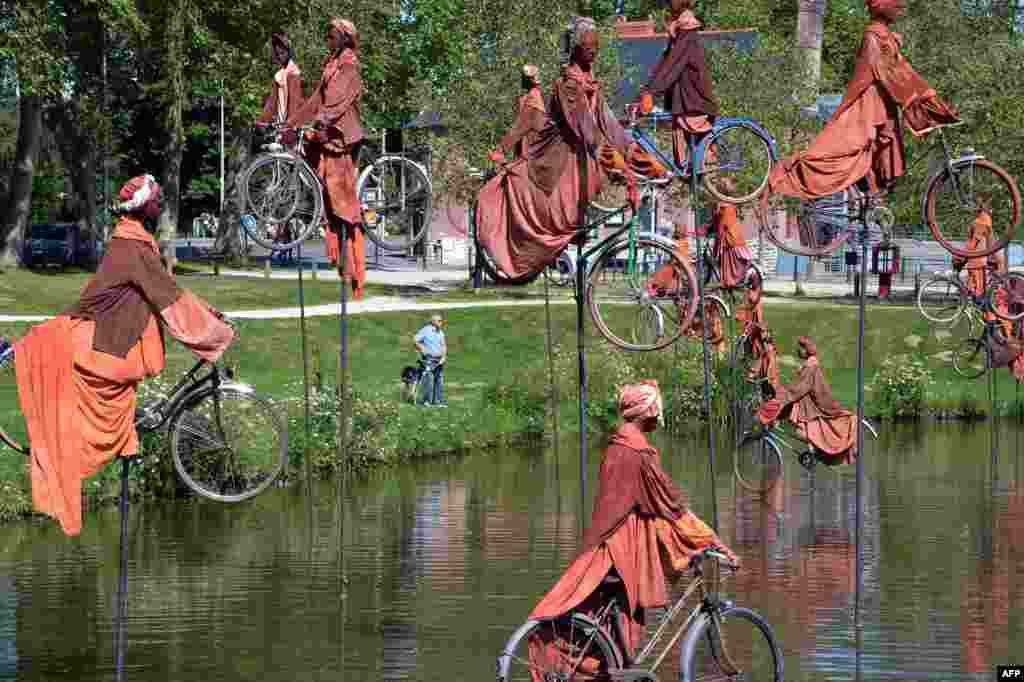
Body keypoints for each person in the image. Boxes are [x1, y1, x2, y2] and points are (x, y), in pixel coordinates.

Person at [9, 175, 234, 536]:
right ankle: (119, 440)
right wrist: (213, 332)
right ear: (143, 207)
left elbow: (167, 290)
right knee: (97, 409)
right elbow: (168, 297)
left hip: (117, 339)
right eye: (156, 200)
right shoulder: (131, 248)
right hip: (110, 345)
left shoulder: (133, 242)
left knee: (124, 403)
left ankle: (128, 434)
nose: (161, 204)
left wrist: (208, 313)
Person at [527, 381, 737, 667]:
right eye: (654, 410)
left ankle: (610, 665)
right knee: (629, 620)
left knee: (610, 622)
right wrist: (713, 541)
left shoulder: (615, 446)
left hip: (604, 545)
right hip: (626, 550)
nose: (657, 416)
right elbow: (671, 505)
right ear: (645, 412)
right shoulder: (639, 454)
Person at [475, 16, 639, 281]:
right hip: (558, 159)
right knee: (557, 204)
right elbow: (588, 131)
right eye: (588, 48)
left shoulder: (587, 83)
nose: (594, 52)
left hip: (579, 157)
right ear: (576, 49)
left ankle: (576, 230)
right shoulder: (568, 86)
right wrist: (624, 170)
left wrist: (634, 153)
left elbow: (608, 123)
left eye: (596, 46)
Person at [764, 0, 959, 202]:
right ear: (883, 6)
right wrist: (926, 99)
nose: (901, 9)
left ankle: (871, 198)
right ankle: (789, 176)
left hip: (884, 104)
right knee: (852, 149)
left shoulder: (884, 36)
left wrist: (926, 97)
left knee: (882, 149)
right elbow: (887, 72)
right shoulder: (874, 36)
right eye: (897, 5)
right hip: (870, 104)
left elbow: (900, 72)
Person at [288, 18, 367, 300]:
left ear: (344, 38)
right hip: (326, 133)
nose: (328, 40)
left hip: (341, 137)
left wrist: (319, 121)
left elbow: (336, 103)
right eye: (327, 36)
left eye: (332, 36)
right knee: (330, 203)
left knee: (344, 206)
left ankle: (357, 272)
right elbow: (316, 101)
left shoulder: (349, 65)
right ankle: (342, 262)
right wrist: (292, 122)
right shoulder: (331, 64)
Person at [636, 0, 718, 166]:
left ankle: (704, 172)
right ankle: (690, 173)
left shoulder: (687, 26)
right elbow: (666, 61)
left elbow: (675, 62)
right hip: (682, 91)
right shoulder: (679, 25)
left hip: (692, 92)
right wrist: (647, 89)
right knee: (682, 138)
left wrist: (653, 92)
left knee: (694, 138)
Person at [757, 336, 858, 468]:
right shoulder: (810, 363)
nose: (799, 350)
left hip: (815, 404)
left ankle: (817, 451)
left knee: (804, 431)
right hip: (808, 402)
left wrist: (784, 397)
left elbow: (801, 388)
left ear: (807, 349)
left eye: (801, 347)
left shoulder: (811, 365)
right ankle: (814, 451)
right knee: (801, 427)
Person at [488, 64, 547, 166]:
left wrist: (501, 150)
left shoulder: (533, 97)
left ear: (529, 80)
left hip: (530, 151)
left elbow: (521, 126)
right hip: (529, 150)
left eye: (524, 78)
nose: (522, 80)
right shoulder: (530, 96)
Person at [255, 32, 305, 129]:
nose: (280, 57)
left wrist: (290, 125)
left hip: (289, 126)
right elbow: (272, 101)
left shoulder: (293, 73)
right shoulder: (279, 75)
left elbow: (294, 102)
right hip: (280, 123)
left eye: (282, 53)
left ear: (288, 52)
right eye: (277, 54)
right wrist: (261, 121)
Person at [414, 314, 447, 406]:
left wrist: (444, 356)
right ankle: (426, 401)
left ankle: (438, 401)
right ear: (433, 322)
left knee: (439, 380)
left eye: (441, 321)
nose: (441, 322)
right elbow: (415, 340)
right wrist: (422, 349)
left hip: (439, 360)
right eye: (439, 321)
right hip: (429, 359)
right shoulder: (426, 330)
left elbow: (443, 345)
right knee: (428, 380)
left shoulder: (440, 332)